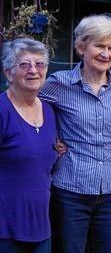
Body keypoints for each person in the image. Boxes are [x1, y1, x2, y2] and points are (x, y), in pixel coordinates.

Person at [39, 14, 111, 253]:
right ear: (82, 47)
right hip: (71, 189)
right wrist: (51, 140)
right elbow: (28, 110)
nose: (106, 53)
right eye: (99, 46)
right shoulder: (58, 84)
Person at [0, 38, 57, 253]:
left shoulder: (49, 111)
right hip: (5, 228)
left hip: (40, 226)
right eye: (24, 64)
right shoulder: (2, 110)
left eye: (40, 64)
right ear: (8, 73)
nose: (34, 70)